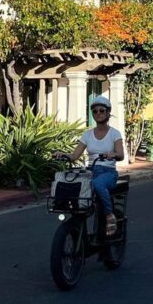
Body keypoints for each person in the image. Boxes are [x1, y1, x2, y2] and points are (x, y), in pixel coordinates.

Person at [62, 96, 124, 237]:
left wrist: (113, 154)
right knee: (71, 183)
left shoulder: (115, 133)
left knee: (97, 183)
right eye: (94, 111)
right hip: (91, 170)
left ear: (108, 113)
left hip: (108, 172)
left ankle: (109, 215)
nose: (98, 114)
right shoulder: (87, 134)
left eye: (102, 110)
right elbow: (74, 156)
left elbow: (121, 155)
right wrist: (63, 155)